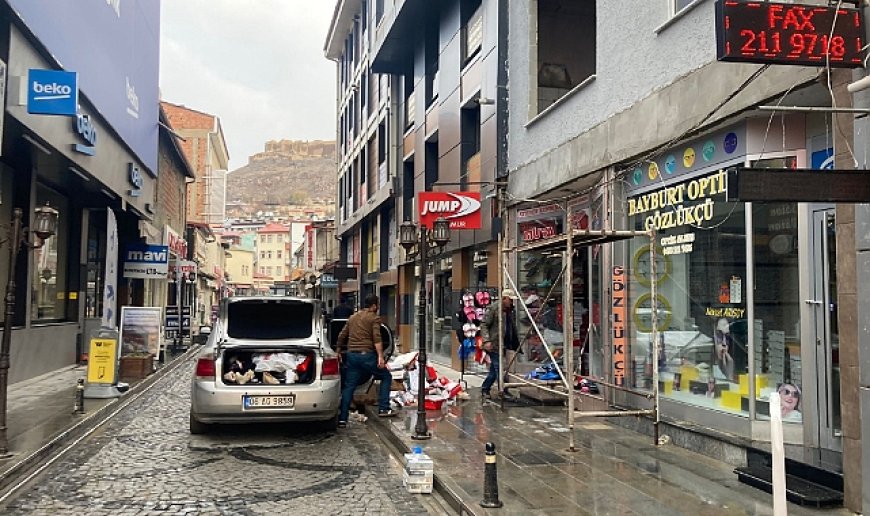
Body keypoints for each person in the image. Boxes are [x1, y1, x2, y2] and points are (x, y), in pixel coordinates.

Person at [335, 295, 396, 427]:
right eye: (377, 305)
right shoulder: (374, 318)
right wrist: (380, 356)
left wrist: (338, 351)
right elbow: (377, 338)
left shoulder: (353, 317)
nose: (378, 307)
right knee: (386, 376)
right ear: (374, 306)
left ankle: (342, 419)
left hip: (352, 356)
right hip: (367, 356)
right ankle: (384, 408)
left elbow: (342, 335)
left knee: (349, 386)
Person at [480, 289, 520, 399]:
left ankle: (485, 388)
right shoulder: (493, 308)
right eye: (510, 300)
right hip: (494, 343)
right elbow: (484, 325)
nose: (512, 302)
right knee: (499, 367)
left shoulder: (510, 310)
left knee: (494, 369)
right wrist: (486, 341)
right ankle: (503, 390)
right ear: (504, 298)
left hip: (504, 343)